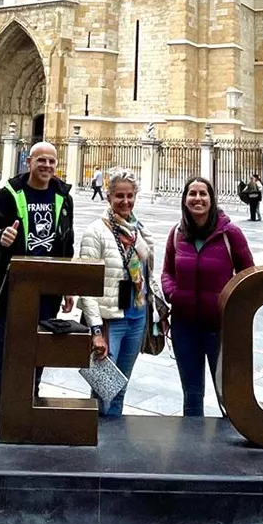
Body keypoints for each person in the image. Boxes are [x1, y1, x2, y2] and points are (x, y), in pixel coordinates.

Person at [0, 140, 75, 412]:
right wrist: (0, 237)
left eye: (51, 161)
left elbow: (67, 244)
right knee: (0, 358)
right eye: (40, 160)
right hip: (12, 291)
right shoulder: (8, 194)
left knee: (36, 358)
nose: (46, 165)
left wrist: (68, 286)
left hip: (47, 293)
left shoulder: (63, 198)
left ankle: (26, 410)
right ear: (28, 162)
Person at [161, 175, 254, 418]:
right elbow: (167, 271)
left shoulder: (230, 233)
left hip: (219, 328)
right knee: (191, 395)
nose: (198, 198)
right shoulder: (176, 234)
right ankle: (192, 449)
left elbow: (247, 275)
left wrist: (230, 306)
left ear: (212, 200)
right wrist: (174, 294)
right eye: (192, 193)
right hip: (184, 326)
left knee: (228, 395)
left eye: (203, 194)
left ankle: (231, 452)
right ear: (185, 199)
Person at [78, 167, 153, 417]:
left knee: (120, 386)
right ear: (109, 197)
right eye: (120, 196)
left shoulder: (138, 230)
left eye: (130, 195)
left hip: (136, 317)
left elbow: (147, 272)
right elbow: (86, 286)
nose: (125, 201)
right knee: (102, 388)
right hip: (110, 321)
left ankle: (115, 441)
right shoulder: (96, 232)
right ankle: (99, 442)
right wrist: (95, 330)